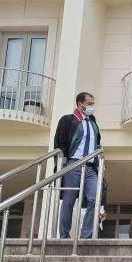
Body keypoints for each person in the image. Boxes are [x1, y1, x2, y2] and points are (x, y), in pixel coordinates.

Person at [54, 92, 102, 239]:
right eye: (89, 104)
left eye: (93, 104)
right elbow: (60, 143)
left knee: (94, 198)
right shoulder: (68, 120)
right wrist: (61, 164)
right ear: (80, 104)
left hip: (90, 167)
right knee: (69, 200)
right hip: (74, 164)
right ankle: (64, 235)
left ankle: (85, 235)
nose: (92, 106)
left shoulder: (93, 123)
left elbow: (97, 143)